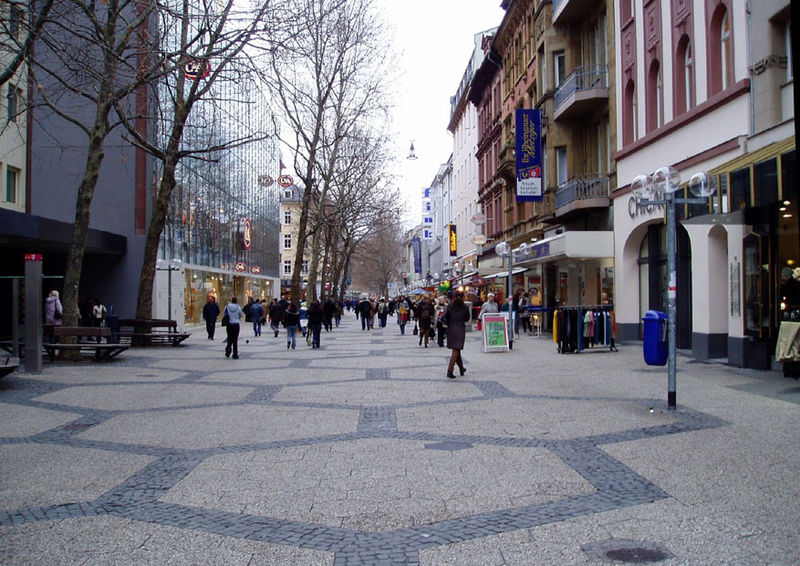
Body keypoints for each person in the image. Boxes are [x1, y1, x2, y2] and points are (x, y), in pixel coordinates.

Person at [445, 292, 471, 378]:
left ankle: (461, 369)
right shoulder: (465, 307)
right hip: (460, 329)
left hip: (451, 328)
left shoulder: (451, 306)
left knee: (457, 349)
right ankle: (450, 370)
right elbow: (467, 318)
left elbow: (447, 317)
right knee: (456, 350)